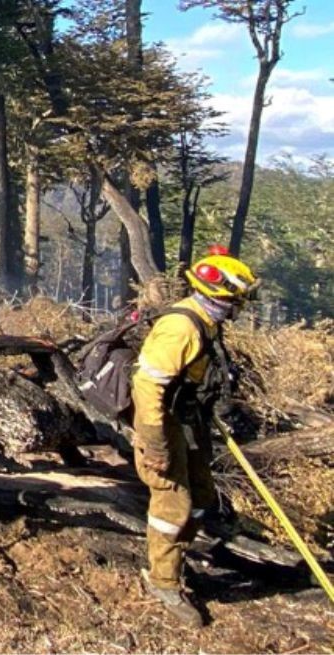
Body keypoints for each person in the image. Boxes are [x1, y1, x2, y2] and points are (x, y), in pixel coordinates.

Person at [132, 247, 257, 626]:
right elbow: (147, 385)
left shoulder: (208, 321)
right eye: (237, 298)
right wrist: (154, 441)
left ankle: (182, 555)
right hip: (162, 425)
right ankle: (164, 581)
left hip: (189, 419)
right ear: (220, 294)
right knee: (173, 505)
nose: (240, 306)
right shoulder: (182, 326)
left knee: (202, 496)